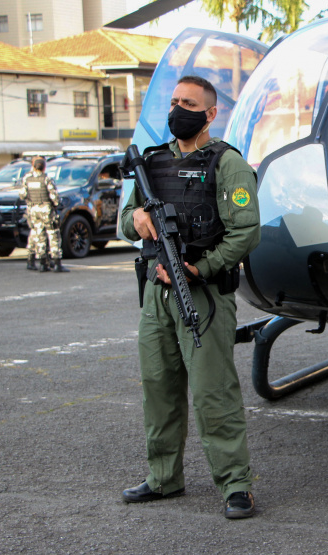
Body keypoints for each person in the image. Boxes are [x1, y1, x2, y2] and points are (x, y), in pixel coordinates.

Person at [119, 75, 261, 519]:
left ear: (210, 114)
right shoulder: (152, 163)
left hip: (203, 294)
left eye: (189, 104)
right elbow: (125, 220)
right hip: (156, 295)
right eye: (175, 101)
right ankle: (163, 477)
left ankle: (235, 484)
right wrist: (136, 217)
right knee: (158, 388)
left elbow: (246, 232)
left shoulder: (227, 164)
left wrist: (201, 267)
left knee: (213, 393)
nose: (178, 110)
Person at [19, 157, 68, 272]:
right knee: (53, 235)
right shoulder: (46, 179)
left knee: (39, 236)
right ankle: (57, 263)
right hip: (46, 210)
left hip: (33, 210)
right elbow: (55, 198)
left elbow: (22, 195)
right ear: (44, 167)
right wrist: (57, 204)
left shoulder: (27, 179)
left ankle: (43, 263)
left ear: (33, 166)